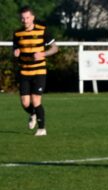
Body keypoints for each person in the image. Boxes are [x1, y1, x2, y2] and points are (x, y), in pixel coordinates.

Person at [13, 5, 58, 137]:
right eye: (23, 18)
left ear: (32, 17)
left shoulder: (43, 31)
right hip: (24, 72)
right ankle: (33, 113)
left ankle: (42, 129)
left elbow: (55, 48)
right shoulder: (17, 33)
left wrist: (44, 54)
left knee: (36, 99)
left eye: (27, 18)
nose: (25, 20)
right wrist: (15, 52)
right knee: (25, 103)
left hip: (39, 71)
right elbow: (16, 49)